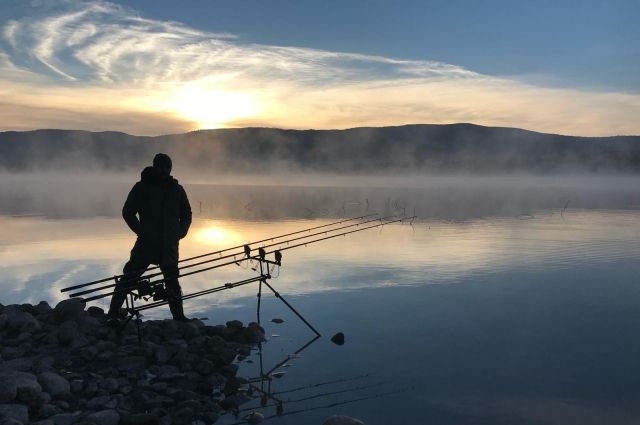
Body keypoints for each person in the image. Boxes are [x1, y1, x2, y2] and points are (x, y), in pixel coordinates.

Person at [107, 153, 192, 324]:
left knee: (172, 281)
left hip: (169, 245)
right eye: (160, 166)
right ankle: (113, 312)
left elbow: (187, 214)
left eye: (166, 167)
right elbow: (128, 212)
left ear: (170, 169)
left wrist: (180, 232)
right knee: (130, 276)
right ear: (154, 167)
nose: (163, 170)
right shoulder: (142, 187)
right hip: (147, 243)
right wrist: (141, 232)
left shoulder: (177, 189)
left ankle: (179, 317)